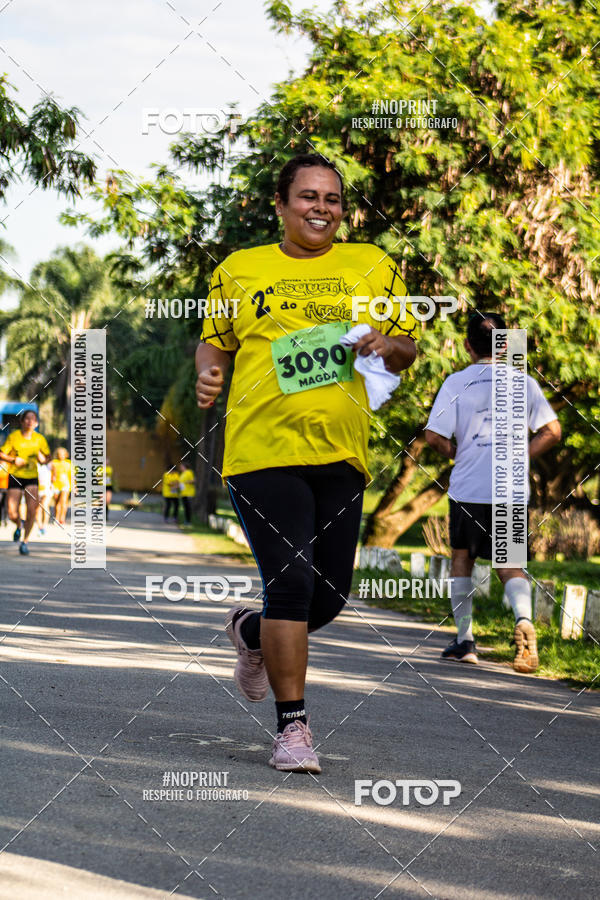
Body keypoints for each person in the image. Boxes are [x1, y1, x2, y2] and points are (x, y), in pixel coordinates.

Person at [195, 153, 418, 773]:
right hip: (261, 450)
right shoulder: (240, 270)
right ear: (281, 204)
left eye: (332, 199)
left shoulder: (372, 264)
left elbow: (407, 346)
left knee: (328, 596)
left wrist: (386, 344)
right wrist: (209, 377)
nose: (321, 208)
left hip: (341, 450)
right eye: (307, 197)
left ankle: (247, 632)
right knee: (291, 583)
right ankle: (294, 731)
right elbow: (216, 340)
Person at [425, 312, 561, 672]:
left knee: (461, 559)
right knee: (510, 564)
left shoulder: (456, 382)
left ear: (467, 345)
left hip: (469, 487)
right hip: (511, 489)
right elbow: (552, 431)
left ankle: (465, 641)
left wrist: (455, 452)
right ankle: (523, 619)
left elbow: (433, 436)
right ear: (506, 345)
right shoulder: (525, 383)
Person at [0, 409, 51, 555]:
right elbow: (1, 453)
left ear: (36, 423)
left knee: (31, 510)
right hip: (15, 476)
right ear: (22, 422)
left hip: (32, 478)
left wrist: (43, 459)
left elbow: (48, 457)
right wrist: (13, 460)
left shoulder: (40, 439)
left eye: (33, 419)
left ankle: (25, 542)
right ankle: (19, 524)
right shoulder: (14, 436)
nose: (30, 421)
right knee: (11, 512)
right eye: (27, 419)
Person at [51, 447, 72, 526]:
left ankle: (62, 519)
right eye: (59, 454)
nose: (61, 455)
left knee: (63, 501)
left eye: (63, 454)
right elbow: (51, 473)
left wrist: (75, 486)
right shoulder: (54, 462)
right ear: (57, 455)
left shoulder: (69, 463)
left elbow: (72, 475)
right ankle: (56, 517)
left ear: (66, 455)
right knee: (56, 502)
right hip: (56, 485)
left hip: (66, 484)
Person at [37, 458, 53, 534]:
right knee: (38, 508)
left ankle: (44, 525)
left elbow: (55, 474)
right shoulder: (35, 464)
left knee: (45, 505)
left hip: (47, 488)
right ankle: (40, 526)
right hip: (37, 488)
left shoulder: (49, 465)